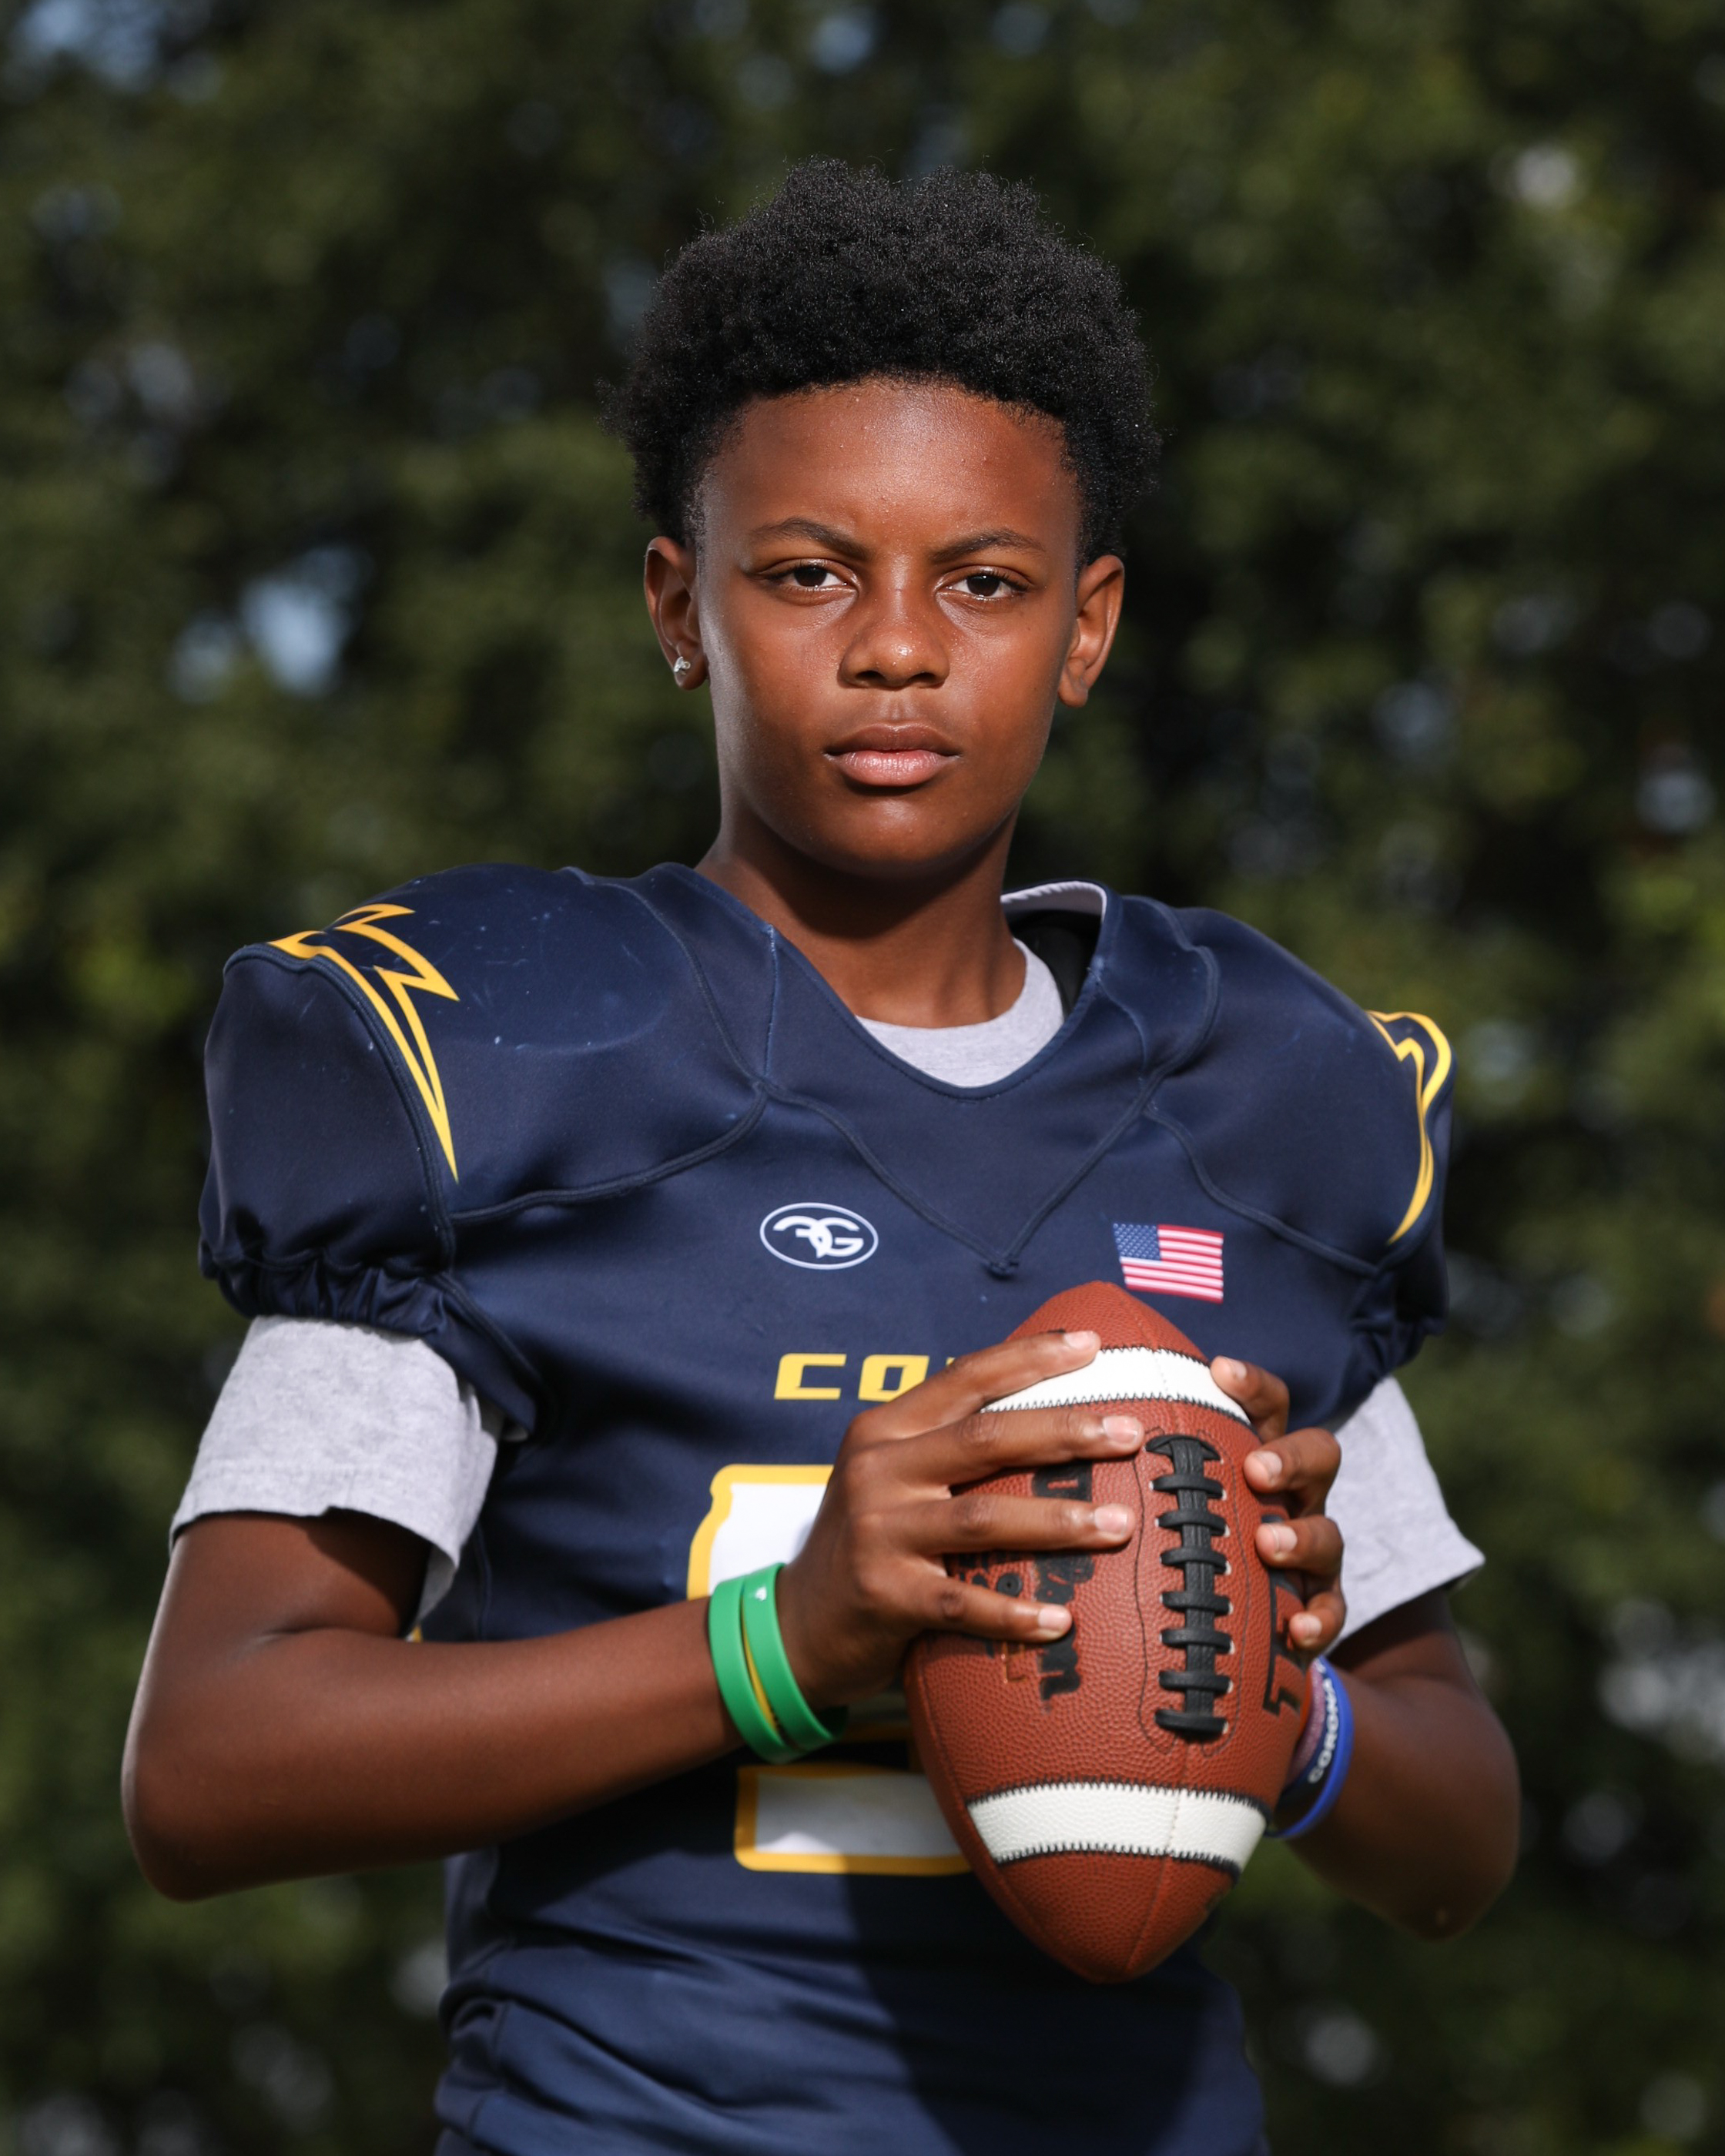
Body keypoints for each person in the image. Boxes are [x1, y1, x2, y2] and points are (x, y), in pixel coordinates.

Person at [124, 162, 1518, 2155]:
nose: (896, 649)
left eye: (985, 581)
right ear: (677, 605)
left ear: (1088, 626)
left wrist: (1283, 1707)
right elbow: (208, 1761)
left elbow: (1460, 1835)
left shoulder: (1261, 1108)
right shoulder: (499, 1061)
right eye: (807, 573)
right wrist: (784, 1643)